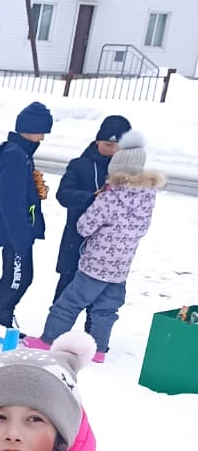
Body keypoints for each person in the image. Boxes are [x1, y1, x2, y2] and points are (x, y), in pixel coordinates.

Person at [26, 131, 163, 363]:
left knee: (69, 303)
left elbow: (84, 226)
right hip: (121, 266)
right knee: (107, 309)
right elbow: (141, 229)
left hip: (96, 263)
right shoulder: (147, 196)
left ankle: (49, 340)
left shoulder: (110, 197)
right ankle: (99, 350)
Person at [0, 100, 53, 329]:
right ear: (30, 129)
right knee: (17, 278)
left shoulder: (21, 153)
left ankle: (1, 315)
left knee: (22, 277)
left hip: (19, 230)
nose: (43, 139)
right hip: (15, 233)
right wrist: (21, 238)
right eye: (41, 132)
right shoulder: (15, 155)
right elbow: (11, 201)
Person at [52, 114, 131, 310]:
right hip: (77, 237)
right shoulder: (80, 165)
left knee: (100, 297)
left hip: (110, 246)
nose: (113, 151)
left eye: (118, 146)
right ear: (97, 141)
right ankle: (53, 334)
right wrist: (90, 197)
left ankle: (93, 337)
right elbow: (63, 195)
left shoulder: (130, 171)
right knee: (67, 287)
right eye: (108, 145)